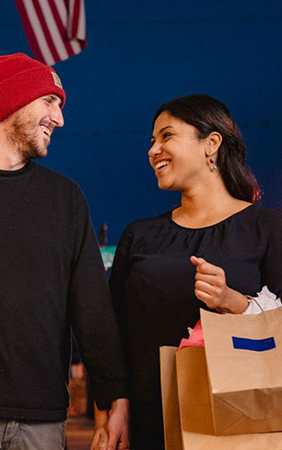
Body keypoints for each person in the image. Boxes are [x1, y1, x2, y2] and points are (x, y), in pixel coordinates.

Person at [0, 53, 129, 450]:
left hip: (44, 425)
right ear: (11, 100)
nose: (60, 118)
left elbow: (92, 310)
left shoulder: (66, 199)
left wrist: (114, 397)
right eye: (50, 102)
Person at [92, 94, 282, 450]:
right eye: (151, 141)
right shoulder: (140, 235)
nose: (153, 150)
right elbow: (112, 333)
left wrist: (234, 302)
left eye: (166, 136)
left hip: (240, 425)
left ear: (211, 144)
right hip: (151, 424)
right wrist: (114, 407)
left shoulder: (269, 227)